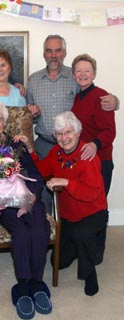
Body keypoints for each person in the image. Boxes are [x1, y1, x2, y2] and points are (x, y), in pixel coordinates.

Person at [16, 111, 107, 296]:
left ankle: (90, 274)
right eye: (59, 133)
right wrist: (31, 150)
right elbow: (41, 170)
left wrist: (66, 182)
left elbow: (92, 193)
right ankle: (76, 247)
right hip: (69, 216)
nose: (64, 138)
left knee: (83, 234)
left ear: (78, 133)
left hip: (93, 213)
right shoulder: (56, 152)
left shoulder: (87, 155)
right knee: (59, 262)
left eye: (68, 132)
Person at [0, 101, 52, 320]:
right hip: (3, 203)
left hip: (28, 197)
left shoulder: (16, 144)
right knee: (21, 233)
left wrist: (29, 199)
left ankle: (37, 283)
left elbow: (36, 176)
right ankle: (23, 286)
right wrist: (8, 200)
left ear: (5, 122)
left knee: (39, 229)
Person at [26, 34, 117, 213]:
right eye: (49, 51)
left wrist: (116, 101)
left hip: (72, 146)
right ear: (44, 54)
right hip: (44, 143)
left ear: (64, 53)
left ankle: (69, 231)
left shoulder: (75, 76)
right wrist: (33, 113)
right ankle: (48, 232)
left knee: (72, 193)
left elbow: (94, 95)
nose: (53, 55)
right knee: (43, 189)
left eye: (58, 50)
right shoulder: (33, 79)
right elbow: (30, 114)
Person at [71, 53, 116, 263]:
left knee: (98, 207)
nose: (82, 74)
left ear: (94, 73)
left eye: (87, 71)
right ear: (74, 74)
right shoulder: (77, 96)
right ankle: (84, 248)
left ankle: (97, 252)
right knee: (85, 204)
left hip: (101, 160)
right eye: (78, 71)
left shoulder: (102, 97)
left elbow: (109, 131)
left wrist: (94, 144)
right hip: (84, 162)